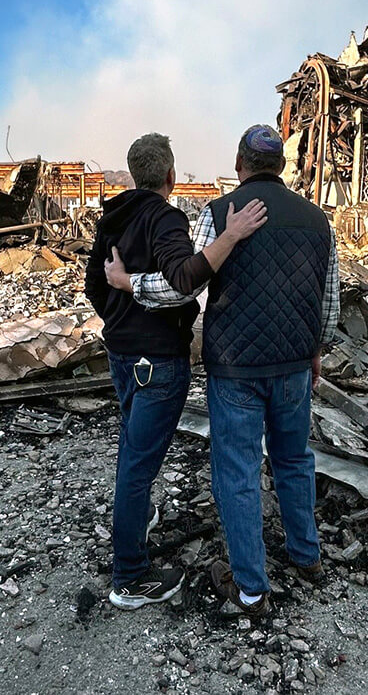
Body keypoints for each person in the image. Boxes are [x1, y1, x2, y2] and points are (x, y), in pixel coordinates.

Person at [106, 124, 339, 615]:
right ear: (280, 166)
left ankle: (251, 589)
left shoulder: (218, 214)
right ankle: (305, 555)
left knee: (237, 470)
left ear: (239, 165)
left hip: (235, 366)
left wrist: (129, 283)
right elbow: (329, 302)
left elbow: (184, 287)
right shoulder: (318, 220)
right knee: (294, 458)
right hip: (296, 365)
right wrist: (315, 347)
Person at [85, 132, 268, 610]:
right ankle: (129, 577)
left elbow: (94, 287)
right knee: (138, 466)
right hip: (158, 361)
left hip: (122, 354)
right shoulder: (165, 217)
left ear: (133, 173)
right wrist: (229, 236)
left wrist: (121, 323)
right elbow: (184, 281)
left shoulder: (113, 216)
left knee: (131, 450)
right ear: (170, 175)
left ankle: (135, 520)